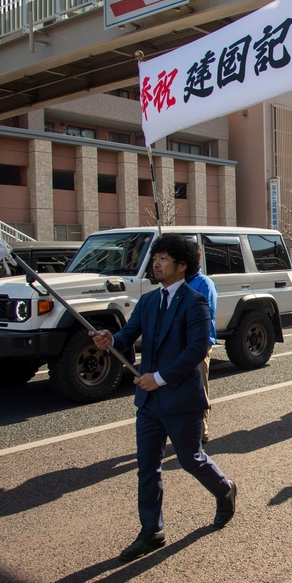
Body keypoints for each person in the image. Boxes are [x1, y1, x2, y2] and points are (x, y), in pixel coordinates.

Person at [91, 234, 237, 562]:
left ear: (182, 264)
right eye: (154, 257)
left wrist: (158, 378)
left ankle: (225, 489)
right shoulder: (148, 301)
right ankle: (152, 530)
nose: (155, 263)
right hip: (149, 401)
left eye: (163, 258)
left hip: (180, 398)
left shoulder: (195, 300)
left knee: (190, 459)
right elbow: (129, 334)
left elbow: (197, 349)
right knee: (147, 465)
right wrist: (109, 338)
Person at [184, 245, 218, 443]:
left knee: (199, 388)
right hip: (178, 344)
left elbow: (207, 314)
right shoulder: (177, 284)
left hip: (198, 344)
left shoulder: (204, 283)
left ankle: (201, 429)